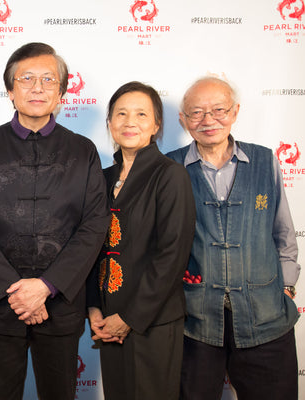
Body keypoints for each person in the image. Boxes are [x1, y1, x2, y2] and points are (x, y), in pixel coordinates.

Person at [0, 42, 110, 400]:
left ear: (61, 93)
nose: (37, 87)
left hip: (60, 305)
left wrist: (46, 286)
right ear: (10, 90)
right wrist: (15, 288)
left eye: (47, 80)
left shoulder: (83, 150)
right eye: (26, 79)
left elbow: (93, 225)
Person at [166, 77, 300, 399]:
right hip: (195, 322)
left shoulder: (265, 161)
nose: (208, 120)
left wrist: (287, 286)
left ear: (235, 111)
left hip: (266, 317)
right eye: (196, 112)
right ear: (183, 120)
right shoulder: (169, 168)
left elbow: (283, 232)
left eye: (218, 110)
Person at [85, 81, 196, 399]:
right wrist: (93, 306)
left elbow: (172, 256)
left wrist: (130, 318)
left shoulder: (170, 175)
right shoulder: (102, 178)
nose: (129, 122)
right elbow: (92, 247)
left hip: (153, 321)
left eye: (141, 114)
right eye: (120, 113)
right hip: (108, 320)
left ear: (156, 125)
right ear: (109, 124)